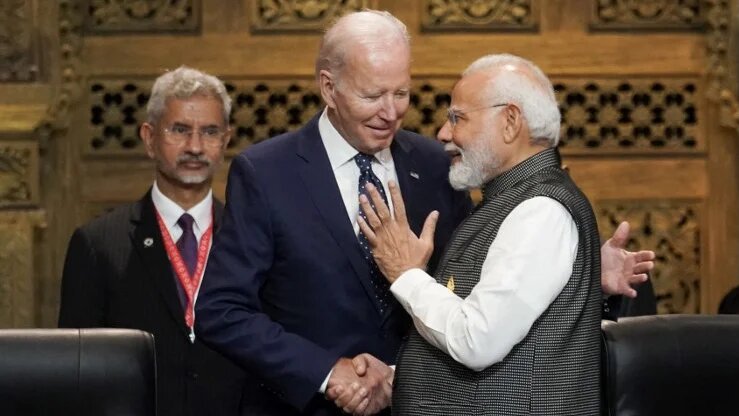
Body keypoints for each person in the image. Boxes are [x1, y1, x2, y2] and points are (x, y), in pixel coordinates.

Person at [195, 11, 653, 416]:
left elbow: (482, 288)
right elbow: (221, 311)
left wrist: (580, 272)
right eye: (373, 95)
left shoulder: (437, 164)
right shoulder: (267, 171)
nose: (390, 113)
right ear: (328, 88)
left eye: (402, 94)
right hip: (308, 405)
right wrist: (327, 373)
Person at [352, 53, 604, 415]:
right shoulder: (507, 202)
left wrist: (405, 274)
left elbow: (477, 340)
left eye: (457, 118)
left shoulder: (540, 211)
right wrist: (396, 379)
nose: (443, 133)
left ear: (510, 121)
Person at [58, 66, 249, 416]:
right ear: (149, 138)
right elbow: (76, 373)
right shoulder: (98, 244)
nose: (195, 146)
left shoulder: (251, 237)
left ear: (225, 141)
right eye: (180, 130)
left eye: (209, 132)